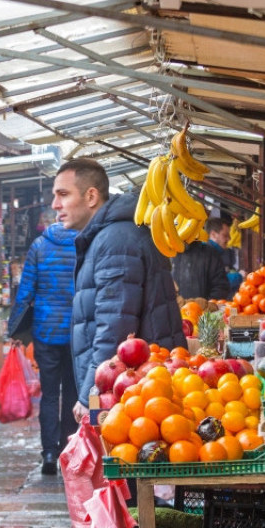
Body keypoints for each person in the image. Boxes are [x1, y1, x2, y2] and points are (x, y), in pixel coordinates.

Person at [60, 158, 185, 419]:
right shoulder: (111, 236)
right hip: (138, 385)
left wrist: (90, 395)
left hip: (132, 390)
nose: (55, 205)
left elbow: (114, 326)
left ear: (91, 196)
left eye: (63, 194)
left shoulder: (115, 241)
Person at [7, 211, 79, 475]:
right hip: (75, 332)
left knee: (49, 395)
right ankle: (68, 451)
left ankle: (49, 452)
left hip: (46, 331)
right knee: (73, 394)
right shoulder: (83, 242)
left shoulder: (39, 245)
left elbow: (25, 291)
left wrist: (13, 328)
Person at [171, 216, 233, 300]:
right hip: (174, 311)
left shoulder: (209, 253)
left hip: (203, 311)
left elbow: (221, 287)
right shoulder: (166, 253)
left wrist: (206, 307)